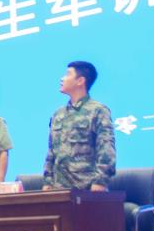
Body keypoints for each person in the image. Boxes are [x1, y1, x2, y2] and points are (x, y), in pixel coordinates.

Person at [43, 61, 116, 191]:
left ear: (80, 81)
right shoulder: (58, 114)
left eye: (68, 74)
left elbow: (106, 149)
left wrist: (100, 182)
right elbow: (51, 152)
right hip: (58, 189)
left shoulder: (98, 110)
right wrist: (47, 181)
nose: (62, 78)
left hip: (86, 189)